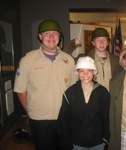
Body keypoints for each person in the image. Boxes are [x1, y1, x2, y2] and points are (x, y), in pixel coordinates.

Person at [14, 19, 77, 150]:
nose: (51, 37)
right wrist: (30, 112)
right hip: (39, 120)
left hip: (64, 118)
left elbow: (74, 89)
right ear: (40, 36)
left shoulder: (69, 60)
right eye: (47, 33)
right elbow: (20, 90)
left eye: (54, 33)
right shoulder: (28, 60)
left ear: (59, 36)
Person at [57, 56, 110, 150]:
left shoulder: (103, 92)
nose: (85, 74)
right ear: (77, 72)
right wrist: (68, 143)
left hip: (98, 143)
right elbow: (63, 121)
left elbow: (107, 118)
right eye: (81, 71)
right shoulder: (69, 93)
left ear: (94, 72)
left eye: (89, 70)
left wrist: (105, 139)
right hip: (76, 143)